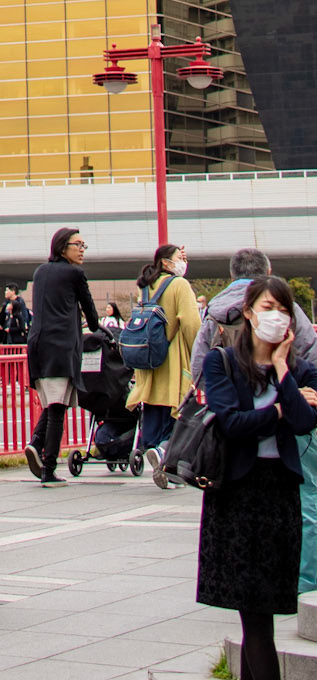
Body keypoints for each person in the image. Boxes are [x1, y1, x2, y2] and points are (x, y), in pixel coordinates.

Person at [196, 278, 317, 680]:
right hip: (236, 496)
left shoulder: (302, 370)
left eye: (283, 309)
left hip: (280, 495)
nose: (276, 317)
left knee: (261, 617)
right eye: (267, 308)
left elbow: (305, 422)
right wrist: (282, 409)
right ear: (248, 312)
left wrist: (283, 369)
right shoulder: (222, 362)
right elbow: (231, 423)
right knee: (256, 618)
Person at [25, 226, 99, 486]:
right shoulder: (74, 273)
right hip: (60, 347)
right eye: (77, 245)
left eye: (83, 245)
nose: (81, 250)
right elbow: (90, 311)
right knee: (58, 409)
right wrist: (98, 328)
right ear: (61, 248)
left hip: (37, 347)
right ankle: (48, 469)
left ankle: (35, 444)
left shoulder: (40, 272)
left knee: (53, 402)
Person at [128, 243, 201, 473]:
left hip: (149, 358)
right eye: (179, 258)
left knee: (152, 405)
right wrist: (198, 353)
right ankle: (163, 454)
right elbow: (191, 323)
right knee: (176, 405)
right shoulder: (180, 285)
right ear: (167, 263)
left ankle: (151, 447)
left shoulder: (147, 286)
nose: (183, 263)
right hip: (174, 357)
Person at [192, 251, 317, 382]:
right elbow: (310, 351)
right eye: (267, 307)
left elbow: (199, 366)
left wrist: (216, 391)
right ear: (268, 272)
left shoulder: (214, 313)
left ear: (232, 276)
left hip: (228, 391)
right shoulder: (286, 307)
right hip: (284, 390)